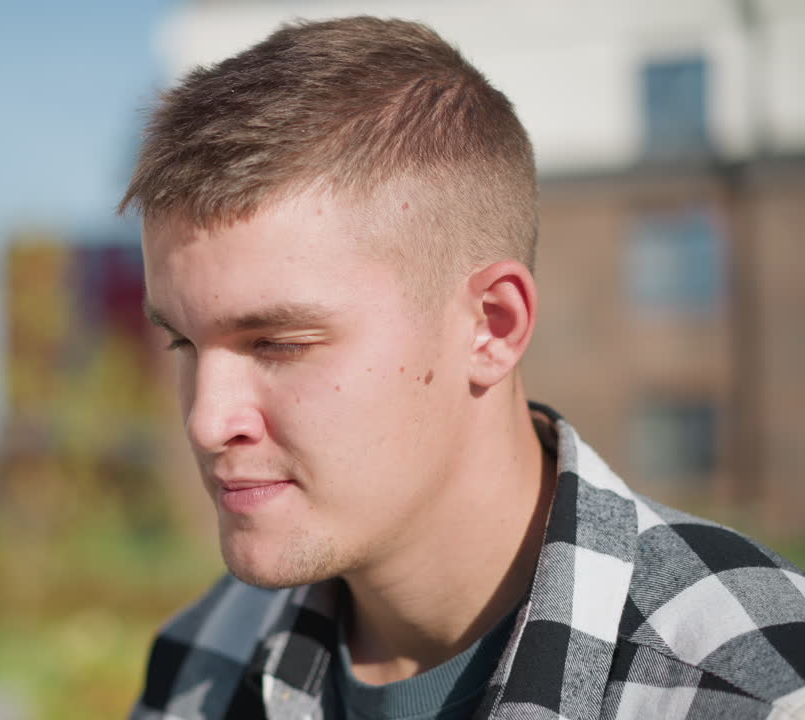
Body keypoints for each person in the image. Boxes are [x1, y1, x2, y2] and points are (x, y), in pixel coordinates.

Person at [118, 16, 805, 720]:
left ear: (492, 327)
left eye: (278, 343)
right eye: (182, 343)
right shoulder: (199, 665)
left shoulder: (751, 690)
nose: (206, 420)